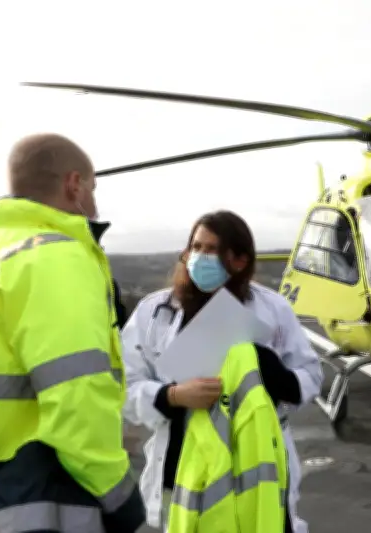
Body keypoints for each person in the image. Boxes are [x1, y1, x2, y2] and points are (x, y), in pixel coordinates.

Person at [121, 210, 322, 532]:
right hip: (183, 473)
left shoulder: (274, 311)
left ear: (240, 260)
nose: (199, 257)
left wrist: (279, 377)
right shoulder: (153, 313)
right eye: (195, 247)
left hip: (254, 472)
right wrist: (172, 396)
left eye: (212, 249)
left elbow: (311, 376)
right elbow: (123, 388)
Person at [0, 133, 145, 532]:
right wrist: (118, 494)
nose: (93, 200)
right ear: (74, 184)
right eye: (92, 187)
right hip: (34, 489)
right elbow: (77, 392)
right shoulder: (54, 256)